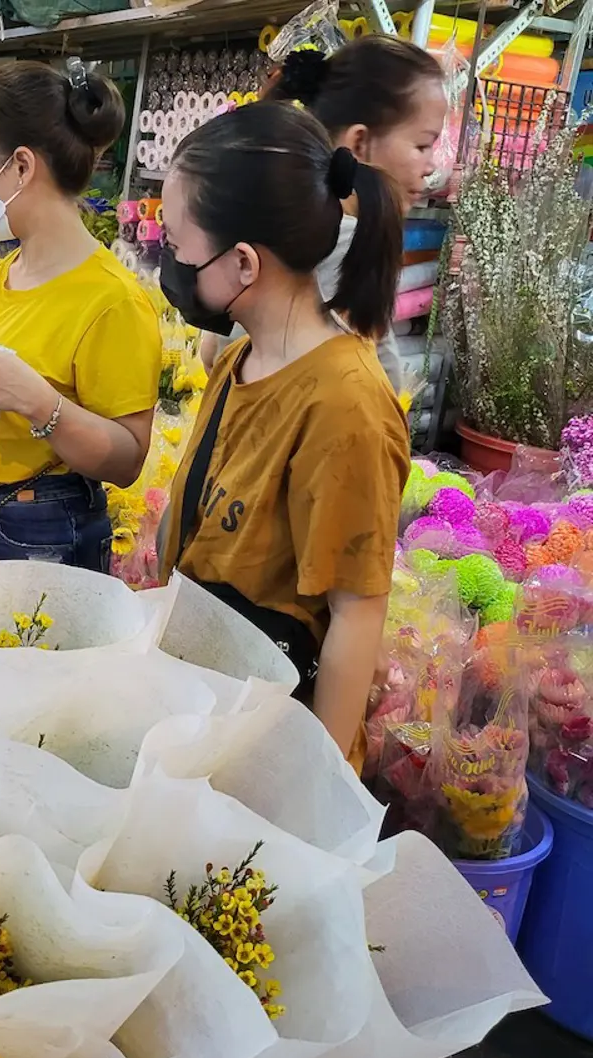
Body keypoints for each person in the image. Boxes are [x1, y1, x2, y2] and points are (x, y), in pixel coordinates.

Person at [158, 102, 410, 766]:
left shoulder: (344, 405)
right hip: (207, 715)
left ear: (243, 264)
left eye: (179, 245)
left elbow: (356, 613)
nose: (172, 260)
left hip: (271, 752)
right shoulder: (246, 359)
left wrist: (315, 792)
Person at [0, 60, 162, 569]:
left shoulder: (112, 300)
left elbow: (127, 459)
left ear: (20, 166)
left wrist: (36, 401)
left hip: (38, 531)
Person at [199, 37, 446, 391]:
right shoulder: (332, 249)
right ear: (359, 143)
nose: (430, 166)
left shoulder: (319, 232)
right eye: (422, 145)